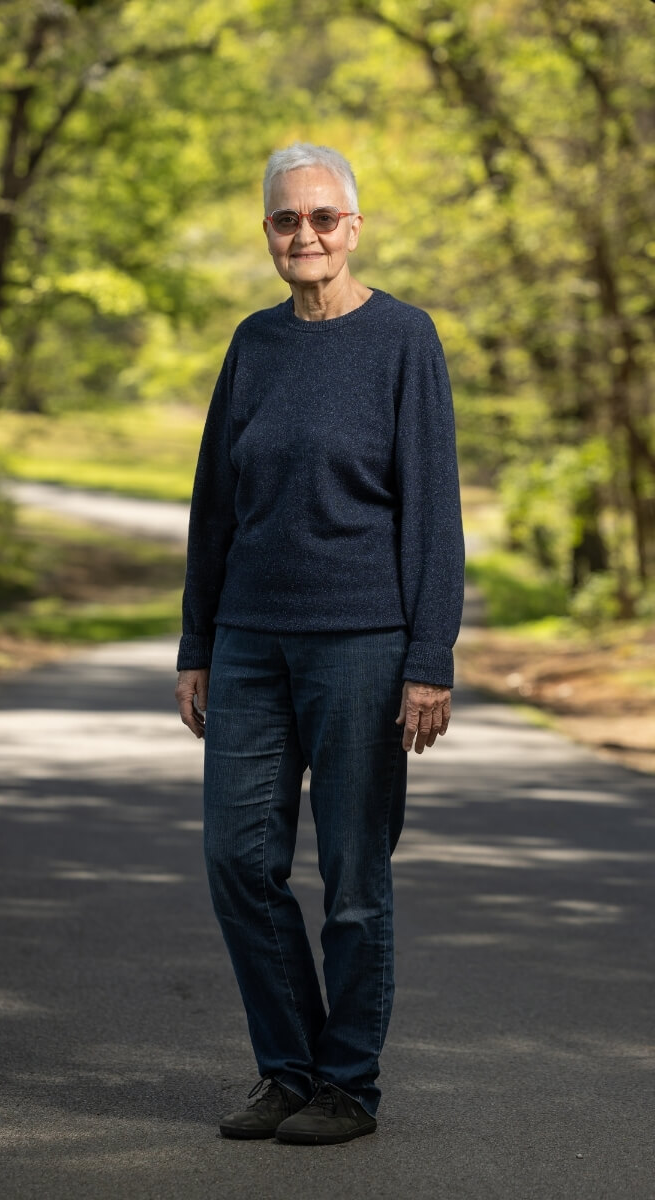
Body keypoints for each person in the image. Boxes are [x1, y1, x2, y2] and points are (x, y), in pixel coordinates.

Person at [175, 142, 464, 1146]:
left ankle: (346, 1084)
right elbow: (215, 502)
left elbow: (432, 510)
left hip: (361, 648)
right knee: (236, 861)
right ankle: (286, 1067)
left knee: (353, 882)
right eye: (285, 219)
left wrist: (428, 659)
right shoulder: (252, 343)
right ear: (267, 231)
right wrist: (197, 643)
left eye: (322, 218)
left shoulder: (403, 339)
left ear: (353, 226)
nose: (305, 235)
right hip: (250, 645)